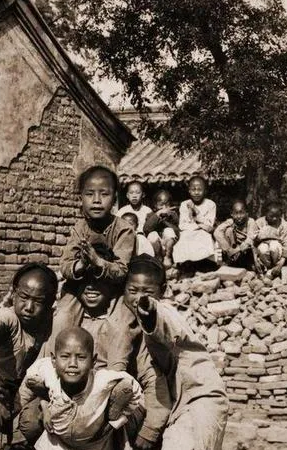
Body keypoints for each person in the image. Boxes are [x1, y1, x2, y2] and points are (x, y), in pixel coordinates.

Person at [19, 268, 172, 450]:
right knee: (30, 421)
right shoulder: (64, 320)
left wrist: (149, 432)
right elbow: (39, 371)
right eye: (85, 281)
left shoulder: (126, 325)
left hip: (107, 407)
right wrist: (41, 404)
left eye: (99, 281)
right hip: (65, 400)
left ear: (112, 284)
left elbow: (152, 378)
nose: (91, 287)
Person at [123, 255, 228, 450]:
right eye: (133, 290)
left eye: (147, 292)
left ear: (162, 291)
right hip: (174, 405)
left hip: (198, 401)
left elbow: (160, 320)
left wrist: (151, 311)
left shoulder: (165, 312)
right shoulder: (128, 324)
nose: (139, 298)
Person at [0, 263, 58, 450]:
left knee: (31, 425)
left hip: (33, 392)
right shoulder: (10, 319)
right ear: (14, 293)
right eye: (24, 297)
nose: (29, 307)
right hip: (2, 390)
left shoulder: (52, 325)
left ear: (49, 303)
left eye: (38, 301)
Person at [55, 166, 136, 370]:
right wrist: (81, 264)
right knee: (62, 318)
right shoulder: (79, 228)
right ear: (81, 198)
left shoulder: (124, 230)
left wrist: (98, 261)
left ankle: (115, 373)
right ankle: (49, 367)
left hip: (112, 289)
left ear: (115, 199)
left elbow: (121, 270)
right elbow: (65, 266)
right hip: (82, 287)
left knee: (120, 325)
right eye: (90, 194)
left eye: (104, 194)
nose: (97, 200)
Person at [22, 327, 144, 450]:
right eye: (65, 356)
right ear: (54, 360)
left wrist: (116, 421)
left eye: (81, 357)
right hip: (58, 441)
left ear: (93, 361)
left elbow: (134, 388)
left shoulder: (101, 380)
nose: (72, 364)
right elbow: (32, 373)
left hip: (94, 442)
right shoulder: (49, 372)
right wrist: (45, 404)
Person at [172, 176, 217, 272]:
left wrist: (195, 210)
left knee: (204, 236)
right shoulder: (184, 204)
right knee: (185, 237)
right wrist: (200, 226)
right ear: (189, 191)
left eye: (200, 189)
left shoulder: (211, 204)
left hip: (203, 233)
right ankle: (187, 266)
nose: (196, 192)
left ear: (205, 191)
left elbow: (209, 225)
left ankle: (203, 264)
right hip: (189, 232)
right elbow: (182, 225)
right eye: (193, 189)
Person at [213, 199, 257, 270]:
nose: (239, 216)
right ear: (232, 214)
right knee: (227, 231)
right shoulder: (231, 221)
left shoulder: (251, 222)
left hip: (246, 251)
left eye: (241, 213)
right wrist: (228, 249)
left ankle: (249, 265)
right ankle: (222, 264)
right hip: (232, 250)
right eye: (236, 213)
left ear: (247, 213)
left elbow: (250, 240)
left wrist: (237, 250)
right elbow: (217, 232)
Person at [253, 200, 287, 277]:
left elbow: (286, 245)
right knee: (262, 248)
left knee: (274, 246)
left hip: (277, 252)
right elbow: (253, 243)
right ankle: (267, 268)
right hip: (263, 251)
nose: (274, 218)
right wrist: (255, 260)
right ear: (265, 214)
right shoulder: (259, 223)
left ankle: (276, 268)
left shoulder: (282, 224)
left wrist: (280, 264)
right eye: (271, 216)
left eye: (277, 216)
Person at [143, 190, 179, 268]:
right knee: (152, 235)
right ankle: (157, 258)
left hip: (169, 245)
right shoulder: (151, 215)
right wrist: (158, 215)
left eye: (167, 205)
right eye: (161, 205)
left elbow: (177, 232)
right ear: (155, 206)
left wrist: (165, 221)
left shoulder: (173, 215)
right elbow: (146, 229)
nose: (164, 208)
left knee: (168, 231)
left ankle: (167, 257)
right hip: (157, 246)